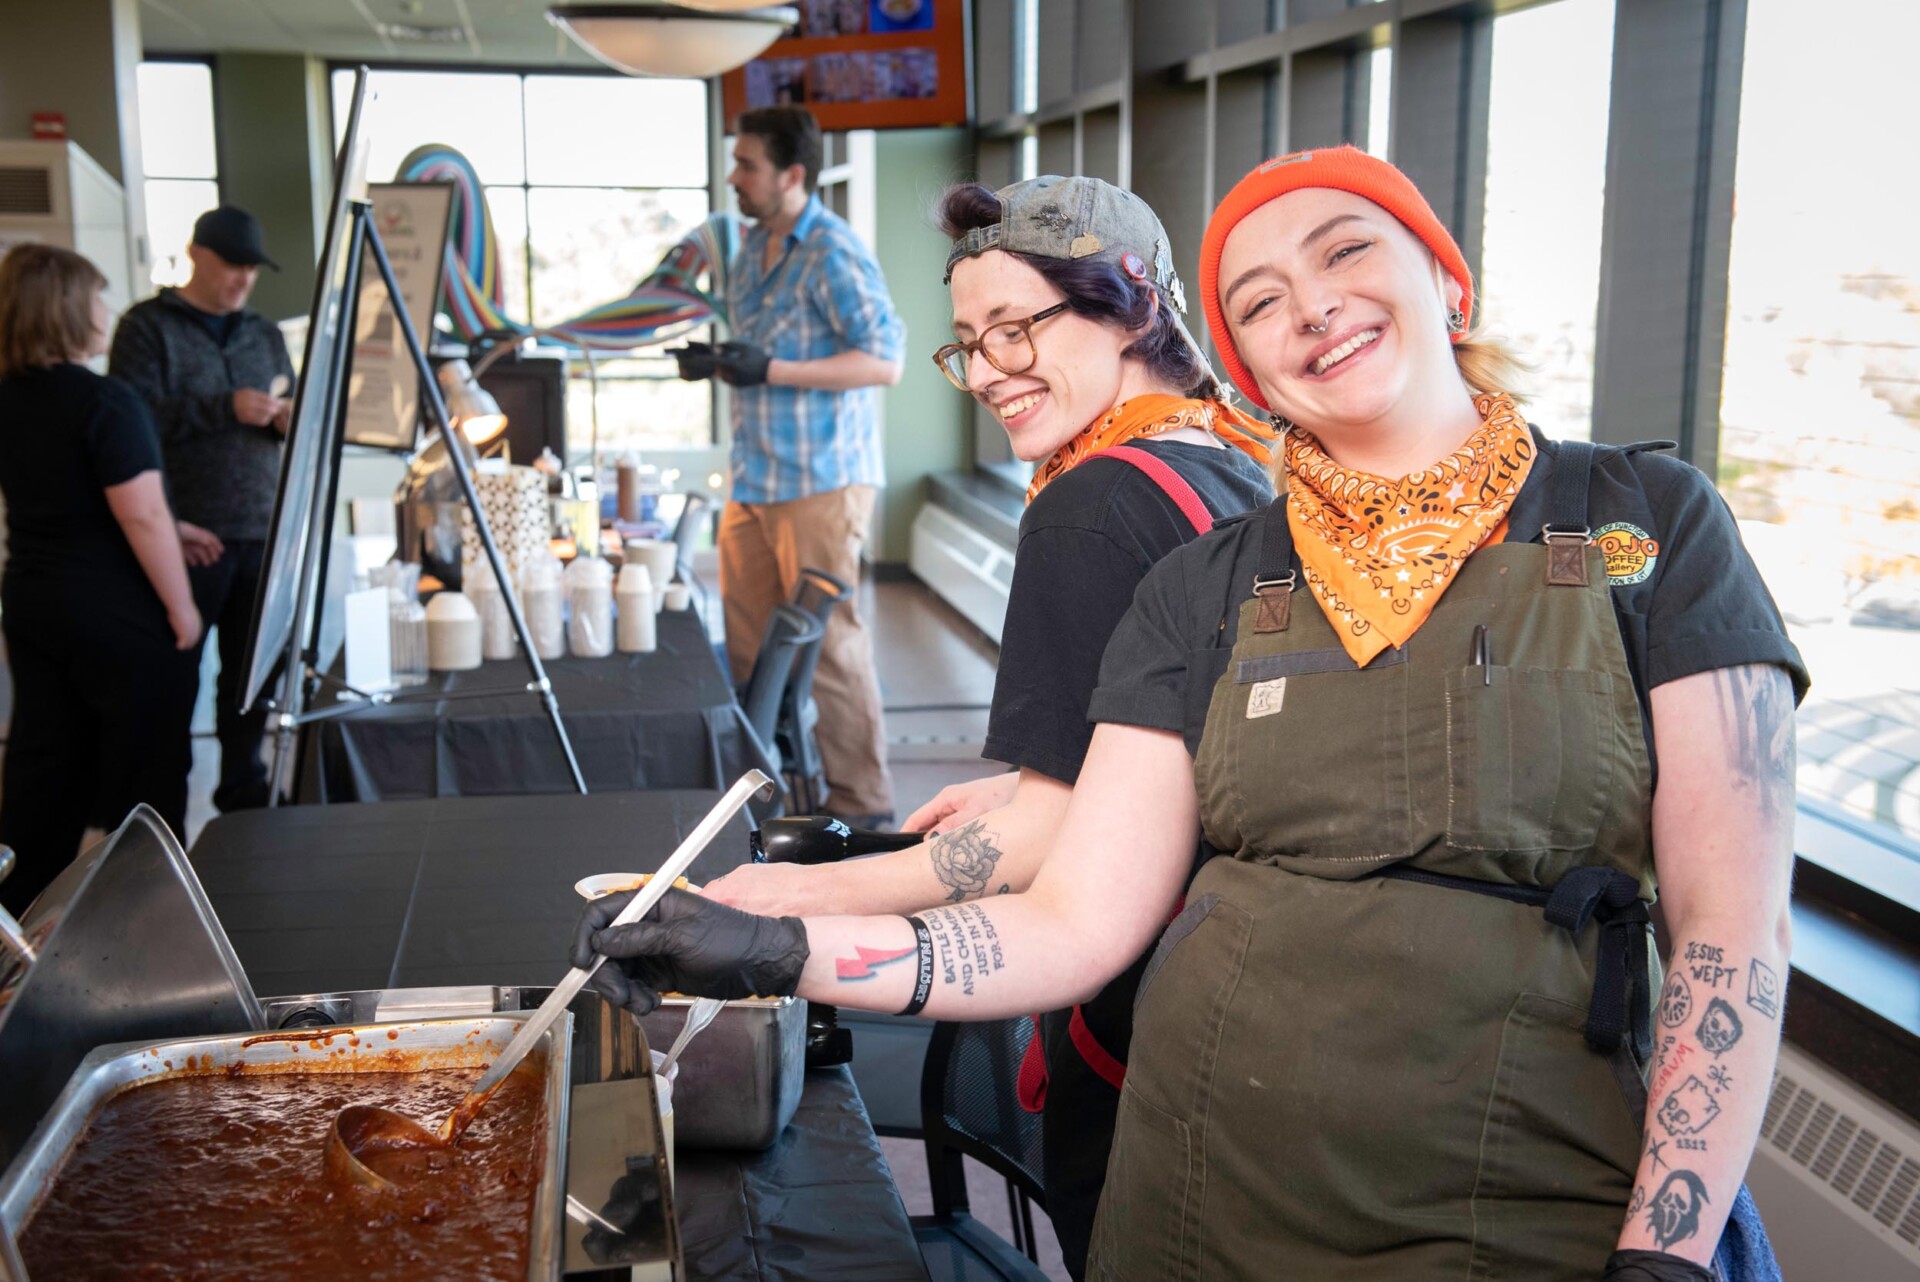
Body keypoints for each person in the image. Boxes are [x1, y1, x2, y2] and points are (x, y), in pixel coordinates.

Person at [577, 147, 1805, 1281]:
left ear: (1447, 276)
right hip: (1203, 1189)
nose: (1309, 308)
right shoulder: (1209, 581)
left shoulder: (1645, 522)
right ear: (1243, 356)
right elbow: (1070, 918)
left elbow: (1727, 933)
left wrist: (1670, 1249)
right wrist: (780, 950)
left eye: (1344, 252)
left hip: (1525, 1194)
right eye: (1261, 301)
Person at [701, 174, 1275, 1274]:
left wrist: (789, 899)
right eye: (972, 342)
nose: (993, 371)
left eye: (1020, 328)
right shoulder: (1228, 464)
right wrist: (1029, 782)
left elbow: (1047, 844)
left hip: (1141, 1005)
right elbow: (1186, 734)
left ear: (1133, 303)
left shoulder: (1090, 505)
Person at [673, 106, 904, 828]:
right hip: (755, 480)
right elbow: (760, 355)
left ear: (792, 175)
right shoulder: (749, 248)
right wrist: (718, 363)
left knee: (828, 649)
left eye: (747, 165)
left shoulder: (833, 251)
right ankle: (765, 801)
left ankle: (865, 808)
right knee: (752, 657)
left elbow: (885, 361)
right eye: (735, 163)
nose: (734, 177)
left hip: (822, 481)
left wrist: (771, 367)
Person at [0, 244, 214, 915]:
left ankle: (19, 940)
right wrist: (182, 610)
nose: (105, 310)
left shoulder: (9, 398)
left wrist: (166, 528)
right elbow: (142, 514)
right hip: (118, 614)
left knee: (45, 772)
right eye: (96, 296)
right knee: (147, 779)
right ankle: (153, 928)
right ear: (66, 309)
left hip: (35, 602)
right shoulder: (106, 400)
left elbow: (62, 493)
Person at [109, 204, 293, 813]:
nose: (242, 279)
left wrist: (288, 422)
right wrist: (223, 408)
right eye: (231, 265)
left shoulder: (264, 334)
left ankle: (243, 806)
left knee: (250, 685)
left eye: (252, 268)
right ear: (196, 255)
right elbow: (128, 425)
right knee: (169, 683)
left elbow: (288, 407)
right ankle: (158, 821)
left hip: (261, 533)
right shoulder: (146, 328)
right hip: (183, 534)